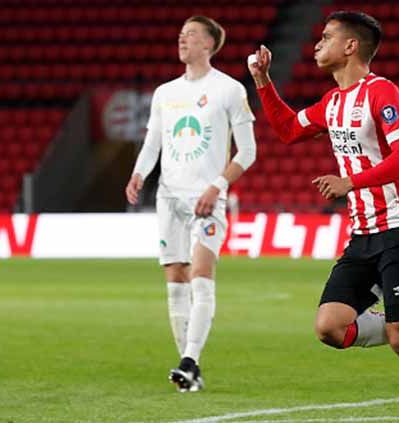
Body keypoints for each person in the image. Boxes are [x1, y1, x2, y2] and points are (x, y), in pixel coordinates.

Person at [248, 11, 399, 423]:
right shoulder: (332, 103)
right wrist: (262, 82)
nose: (316, 44)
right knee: (329, 327)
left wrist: (351, 182)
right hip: (363, 235)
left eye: (326, 37)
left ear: (350, 46)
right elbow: (289, 129)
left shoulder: (382, 93)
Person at [124, 15, 257, 391]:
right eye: (181, 34)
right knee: (175, 282)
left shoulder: (229, 90)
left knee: (201, 275)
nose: (183, 39)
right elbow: (154, 142)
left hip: (206, 199)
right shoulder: (165, 93)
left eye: (192, 35)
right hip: (169, 197)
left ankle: (191, 359)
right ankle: (188, 369)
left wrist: (216, 187)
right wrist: (138, 173)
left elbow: (248, 151)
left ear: (209, 45)